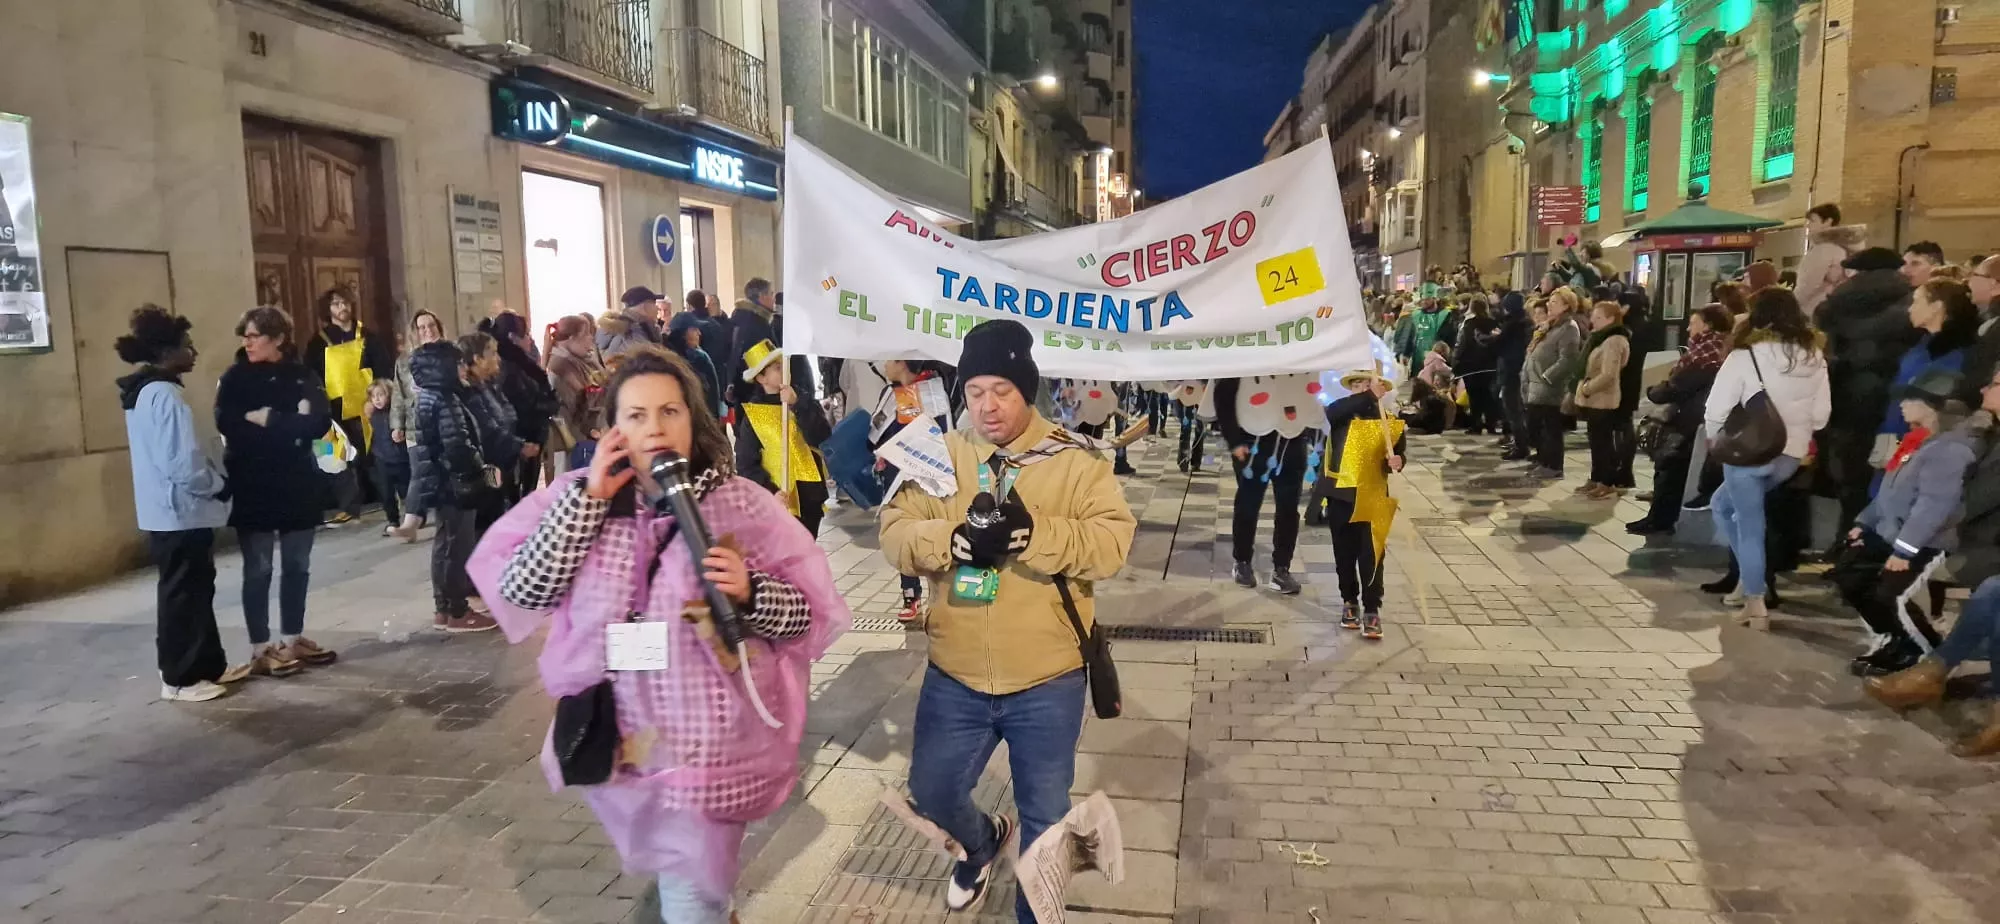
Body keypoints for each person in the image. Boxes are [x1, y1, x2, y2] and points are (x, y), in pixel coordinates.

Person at [467, 348, 848, 923]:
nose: (655, 428)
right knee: (689, 882)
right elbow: (523, 590)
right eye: (637, 415)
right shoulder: (578, 499)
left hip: (713, 745)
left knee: (690, 893)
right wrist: (588, 504)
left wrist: (751, 592)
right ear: (612, 428)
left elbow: (805, 618)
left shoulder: (741, 505)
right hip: (627, 743)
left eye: (670, 411)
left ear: (693, 420)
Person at [879, 319, 1136, 921]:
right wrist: (948, 539)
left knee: (1047, 823)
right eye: (975, 392)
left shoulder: (1076, 460)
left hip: (1048, 678)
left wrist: (1037, 535)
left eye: (1003, 391)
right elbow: (893, 535)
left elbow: (1112, 543)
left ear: (1028, 389)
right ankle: (980, 844)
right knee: (935, 790)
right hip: (956, 674)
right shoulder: (936, 456)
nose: (987, 407)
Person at [1863, 368, 2000, 756]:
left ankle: (1936, 674)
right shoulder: (1985, 434)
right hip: (1981, 543)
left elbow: (1973, 500)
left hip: (1980, 543)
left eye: (1994, 383)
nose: (1983, 388)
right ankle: (1933, 673)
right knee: (1991, 592)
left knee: (1979, 591)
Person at [117, 305, 246, 703]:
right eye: (187, 346)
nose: (194, 352)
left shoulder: (151, 392)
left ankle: (208, 664)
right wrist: (216, 485)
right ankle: (179, 677)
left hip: (174, 512)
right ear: (165, 352)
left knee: (196, 589)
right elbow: (180, 462)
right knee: (181, 596)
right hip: (177, 512)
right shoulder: (162, 396)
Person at [217, 305, 341, 675]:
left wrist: (269, 419)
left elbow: (319, 423)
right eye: (245, 335)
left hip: (298, 481)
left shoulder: (302, 375)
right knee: (259, 568)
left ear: (279, 339)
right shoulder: (235, 378)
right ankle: (261, 647)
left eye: (254, 335)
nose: (247, 341)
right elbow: (230, 424)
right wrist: (292, 424)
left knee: (297, 566)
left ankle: (292, 639)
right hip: (253, 482)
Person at [1832, 369, 1976, 676]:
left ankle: (1926, 654)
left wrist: (1904, 551)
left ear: (1931, 405)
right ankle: (1895, 640)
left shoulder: (1950, 450)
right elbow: (1889, 492)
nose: (1901, 405)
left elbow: (1933, 506)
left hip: (1924, 541)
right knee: (1851, 576)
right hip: (1891, 532)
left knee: (1893, 595)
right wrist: (1864, 523)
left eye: (1910, 399)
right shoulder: (1918, 441)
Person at [1703, 287, 1832, 629]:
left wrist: (1714, 438)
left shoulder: (1747, 356)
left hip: (1749, 453)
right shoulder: (1815, 356)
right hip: (1791, 455)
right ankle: (1749, 578)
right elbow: (1821, 416)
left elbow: (1716, 408)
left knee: (1750, 527)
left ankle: (1755, 600)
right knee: (1722, 505)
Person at [1819, 247, 1920, 539]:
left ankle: (1847, 541)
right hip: (1894, 401)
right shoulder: (1909, 301)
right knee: (1889, 476)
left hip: (1846, 397)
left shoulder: (1838, 303)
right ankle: (1872, 546)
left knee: (1849, 477)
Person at [404, 339, 499, 634]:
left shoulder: (429, 397)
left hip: (442, 482)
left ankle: (444, 608)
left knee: (445, 543)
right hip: (456, 483)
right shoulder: (445, 399)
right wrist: (480, 469)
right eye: (457, 363)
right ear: (442, 367)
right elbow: (458, 444)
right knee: (458, 546)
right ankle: (458, 611)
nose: (463, 368)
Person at [1317, 370, 1406, 640]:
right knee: (1344, 553)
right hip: (1340, 495)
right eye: (1357, 384)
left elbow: (1399, 452)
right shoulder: (1342, 415)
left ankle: (1372, 608)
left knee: (1372, 555)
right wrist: (1368, 396)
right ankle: (1349, 601)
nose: (1362, 388)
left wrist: (1398, 461)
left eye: (1367, 383)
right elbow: (1332, 413)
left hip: (1373, 495)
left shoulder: (1387, 421)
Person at [1628, 304, 1730, 534]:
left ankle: (1660, 520)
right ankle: (1663, 518)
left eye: (1693, 323)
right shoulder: (1715, 349)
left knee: (1669, 467)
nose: (1687, 329)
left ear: (1707, 325)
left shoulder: (1706, 355)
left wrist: (1655, 391)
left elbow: (1678, 386)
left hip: (1690, 420)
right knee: (1674, 468)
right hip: (1698, 418)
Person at [1214, 374, 1320, 595]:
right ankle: (1242, 561)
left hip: (1292, 440)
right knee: (1248, 504)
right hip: (1252, 441)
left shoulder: (1300, 352)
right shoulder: (1249, 351)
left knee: (1289, 508)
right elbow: (1223, 394)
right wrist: (1234, 440)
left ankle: (1282, 568)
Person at [869, 358, 956, 623]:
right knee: (902, 530)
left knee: (932, 532)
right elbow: (876, 432)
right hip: (896, 476)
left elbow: (946, 431)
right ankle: (910, 594)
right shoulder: (889, 392)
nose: (883, 366)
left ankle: (938, 591)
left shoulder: (934, 389)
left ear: (903, 362)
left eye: (889, 360)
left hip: (929, 476)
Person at [1876, 277, 1980, 483]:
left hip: (1920, 445)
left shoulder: (1957, 355)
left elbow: (1935, 406)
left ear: (1936, 307)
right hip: (1896, 433)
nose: (1909, 309)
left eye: (1917, 301)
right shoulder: (1923, 345)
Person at [305, 288, 393, 523]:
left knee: (375, 458)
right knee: (335, 457)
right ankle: (347, 508)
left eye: (345, 303)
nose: (342, 308)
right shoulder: (317, 342)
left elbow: (383, 369)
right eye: (335, 304)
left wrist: (380, 399)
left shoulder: (368, 336)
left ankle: (391, 506)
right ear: (328, 309)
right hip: (333, 409)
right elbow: (312, 377)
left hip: (368, 405)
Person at [733, 339, 833, 537]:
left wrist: (798, 405)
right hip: (781, 497)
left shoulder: (801, 400)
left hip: (810, 493)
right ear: (761, 378)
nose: (784, 371)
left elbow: (822, 435)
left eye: (784, 365)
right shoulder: (753, 416)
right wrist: (770, 491)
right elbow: (746, 464)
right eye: (777, 368)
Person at [483, 313, 557, 497]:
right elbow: (524, 404)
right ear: (512, 338)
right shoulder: (510, 368)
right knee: (518, 497)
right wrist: (551, 404)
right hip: (521, 440)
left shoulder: (520, 362)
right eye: (527, 334)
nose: (530, 339)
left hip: (526, 438)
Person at [457, 331, 530, 511]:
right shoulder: (470, 392)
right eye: (493, 353)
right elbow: (487, 429)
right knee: (488, 518)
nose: (498, 358)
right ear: (478, 359)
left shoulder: (487, 384)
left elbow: (507, 413)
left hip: (502, 461)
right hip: (488, 467)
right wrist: (518, 446)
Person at [389, 310, 448, 531]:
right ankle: (410, 522)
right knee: (419, 472)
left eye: (431, 325)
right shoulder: (404, 362)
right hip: (416, 425)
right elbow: (398, 394)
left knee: (439, 473)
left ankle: (418, 520)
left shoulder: (448, 354)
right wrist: (397, 424)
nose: (427, 331)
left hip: (444, 423)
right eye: (422, 327)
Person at [1521, 288, 1585, 479]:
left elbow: (1568, 359)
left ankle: (1553, 465)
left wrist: (1548, 377)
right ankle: (1543, 460)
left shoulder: (1569, 328)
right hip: (1535, 385)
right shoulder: (1550, 325)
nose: (1549, 305)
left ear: (1567, 306)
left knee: (1551, 428)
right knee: (1537, 427)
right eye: (1550, 301)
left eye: (1554, 302)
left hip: (1550, 387)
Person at [1573, 300, 1631, 499]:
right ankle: (1596, 478)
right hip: (1594, 399)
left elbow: (1609, 374)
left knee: (1603, 443)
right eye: (1593, 316)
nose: (1592, 321)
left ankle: (1606, 482)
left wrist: (1588, 388)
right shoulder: (1600, 338)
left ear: (1611, 319)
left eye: (1598, 318)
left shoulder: (1614, 340)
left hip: (1603, 399)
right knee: (1596, 441)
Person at [544, 315, 606, 471]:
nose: (590, 338)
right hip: (577, 438)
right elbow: (583, 400)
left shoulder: (583, 360)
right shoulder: (562, 365)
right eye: (585, 334)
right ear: (570, 338)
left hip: (591, 433)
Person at [1796, 203, 1864, 317]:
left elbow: (1809, 283)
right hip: (1836, 309)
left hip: (1814, 310)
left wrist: (1791, 304)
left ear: (1828, 221)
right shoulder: (1843, 247)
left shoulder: (1824, 249)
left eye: (1812, 221)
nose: (1808, 226)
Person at [725, 277, 779, 405]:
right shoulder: (755, 324)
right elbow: (763, 362)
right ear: (762, 296)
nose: (774, 299)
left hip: (742, 393)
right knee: (755, 425)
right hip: (755, 395)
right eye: (771, 294)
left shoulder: (739, 318)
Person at [366, 381, 411, 533]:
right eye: (374, 396)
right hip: (382, 458)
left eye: (381, 395)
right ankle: (393, 520)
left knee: (407, 491)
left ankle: (416, 516)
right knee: (386, 493)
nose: (377, 399)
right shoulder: (372, 415)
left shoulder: (397, 413)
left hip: (400, 458)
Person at [1495, 290, 1534, 458]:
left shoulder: (1514, 324)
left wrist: (1489, 338)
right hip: (1515, 370)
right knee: (1514, 409)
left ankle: (1521, 446)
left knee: (1513, 410)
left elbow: (1501, 345)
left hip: (1512, 371)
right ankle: (1519, 443)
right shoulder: (1523, 322)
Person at [1453, 298, 1501, 435]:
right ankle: (1491, 423)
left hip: (1471, 366)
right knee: (1489, 395)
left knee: (1474, 396)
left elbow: (1461, 345)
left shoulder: (1468, 324)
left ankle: (1476, 424)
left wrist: (1456, 361)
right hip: (1490, 365)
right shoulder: (1494, 323)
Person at [666, 311, 723, 417]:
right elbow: (707, 395)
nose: (699, 333)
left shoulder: (669, 357)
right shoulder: (696, 359)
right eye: (694, 329)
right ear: (683, 334)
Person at [600, 285, 665, 356]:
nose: (657, 308)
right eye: (654, 303)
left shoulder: (638, 329)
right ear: (645, 307)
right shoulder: (632, 335)